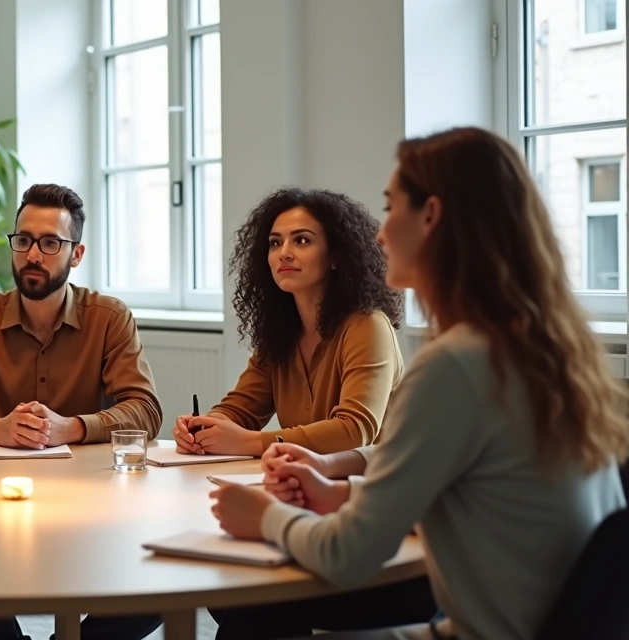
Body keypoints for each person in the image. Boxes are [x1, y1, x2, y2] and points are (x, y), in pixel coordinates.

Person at [211, 127, 629, 640]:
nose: (380, 234)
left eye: (390, 209)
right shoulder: (540, 346)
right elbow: (463, 472)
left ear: (430, 215)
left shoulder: (456, 363)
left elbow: (348, 555)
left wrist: (264, 515)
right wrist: (339, 485)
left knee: (247, 620)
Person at [0, 184, 163, 640]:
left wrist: (69, 428)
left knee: (163, 583)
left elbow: (146, 411)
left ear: (76, 255)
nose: (33, 254)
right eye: (23, 240)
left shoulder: (109, 317)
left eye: (50, 243)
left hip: (95, 500)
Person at [173, 189, 404, 457]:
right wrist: (204, 429)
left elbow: (354, 431)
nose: (284, 253)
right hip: (302, 482)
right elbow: (240, 410)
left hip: (371, 488)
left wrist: (250, 442)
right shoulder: (281, 331)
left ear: (336, 257)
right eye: (274, 243)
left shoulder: (368, 325)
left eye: (302, 241)